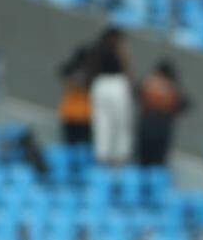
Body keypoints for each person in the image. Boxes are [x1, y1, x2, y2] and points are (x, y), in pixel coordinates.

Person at [88, 27, 134, 165]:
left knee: (114, 122)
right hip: (111, 82)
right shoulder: (106, 49)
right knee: (108, 122)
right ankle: (108, 156)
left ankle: (114, 156)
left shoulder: (97, 48)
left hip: (103, 84)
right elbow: (127, 66)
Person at [135, 60, 189, 166]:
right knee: (157, 161)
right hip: (163, 128)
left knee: (142, 160)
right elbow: (185, 105)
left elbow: (136, 93)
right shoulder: (173, 88)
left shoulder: (148, 83)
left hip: (146, 125)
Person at [57, 44, 93, 146]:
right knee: (84, 146)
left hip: (69, 113)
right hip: (84, 114)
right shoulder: (90, 74)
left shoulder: (69, 72)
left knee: (70, 146)